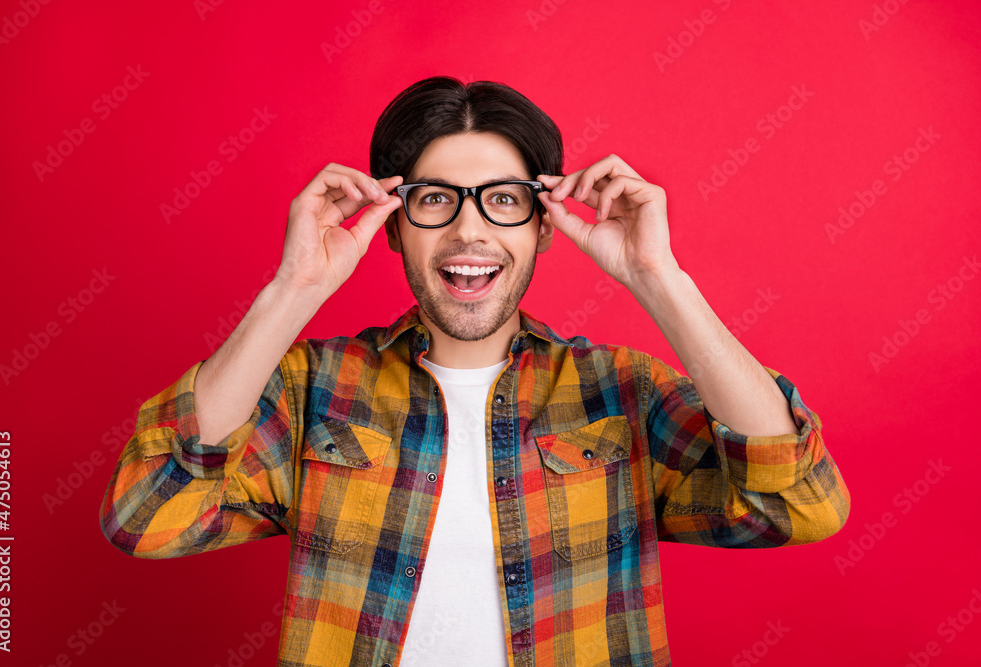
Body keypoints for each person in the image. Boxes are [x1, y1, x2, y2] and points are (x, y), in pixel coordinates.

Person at [99, 76, 850, 667]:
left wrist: (659, 276)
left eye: (502, 201)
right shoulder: (313, 389)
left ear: (545, 225)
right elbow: (146, 515)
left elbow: (801, 502)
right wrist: (292, 289)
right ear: (393, 225)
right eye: (434, 200)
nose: (469, 230)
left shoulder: (620, 391)